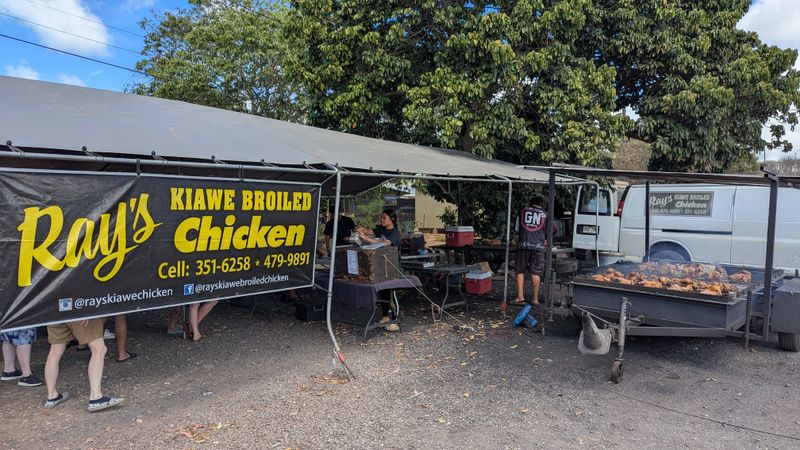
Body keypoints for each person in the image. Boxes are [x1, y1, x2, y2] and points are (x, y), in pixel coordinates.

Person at [44, 318, 124, 412]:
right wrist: (84, 310)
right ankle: (96, 397)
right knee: (99, 349)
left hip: (55, 310)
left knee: (55, 352)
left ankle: (52, 396)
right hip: (78, 310)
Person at [355, 209, 402, 331]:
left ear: (392, 219)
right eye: (381, 217)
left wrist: (365, 238)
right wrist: (361, 230)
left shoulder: (395, 233)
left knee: (389, 293)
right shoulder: (381, 229)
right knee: (382, 292)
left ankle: (393, 319)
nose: (381, 220)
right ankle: (385, 317)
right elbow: (369, 231)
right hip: (380, 266)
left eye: (384, 218)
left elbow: (382, 244)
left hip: (391, 267)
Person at [511, 199, 555, 307]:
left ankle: (520, 297)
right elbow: (553, 229)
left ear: (531, 204)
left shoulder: (522, 211)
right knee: (536, 272)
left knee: (519, 270)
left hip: (524, 245)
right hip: (538, 247)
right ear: (542, 206)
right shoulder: (545, 214)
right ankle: (535, 299)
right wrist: (545, 239)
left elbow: (517, 228)